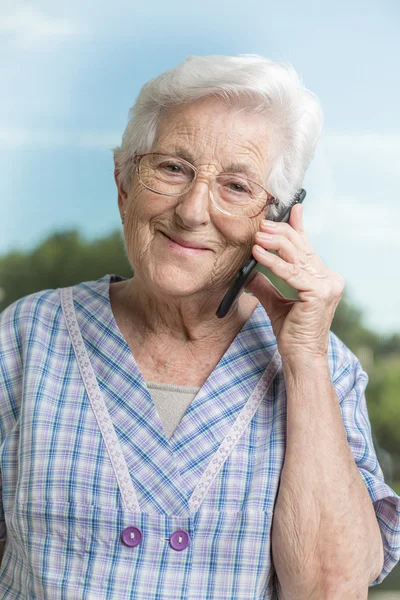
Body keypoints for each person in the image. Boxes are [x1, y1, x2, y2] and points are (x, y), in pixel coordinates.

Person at [0, 54, 399, 599]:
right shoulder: (25, 337)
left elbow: (331, 589)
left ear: (276, 219)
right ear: (123, 183)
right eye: (171, 168)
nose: (192, 210)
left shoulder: (325, 369)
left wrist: (303, 359)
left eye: (236, 186)